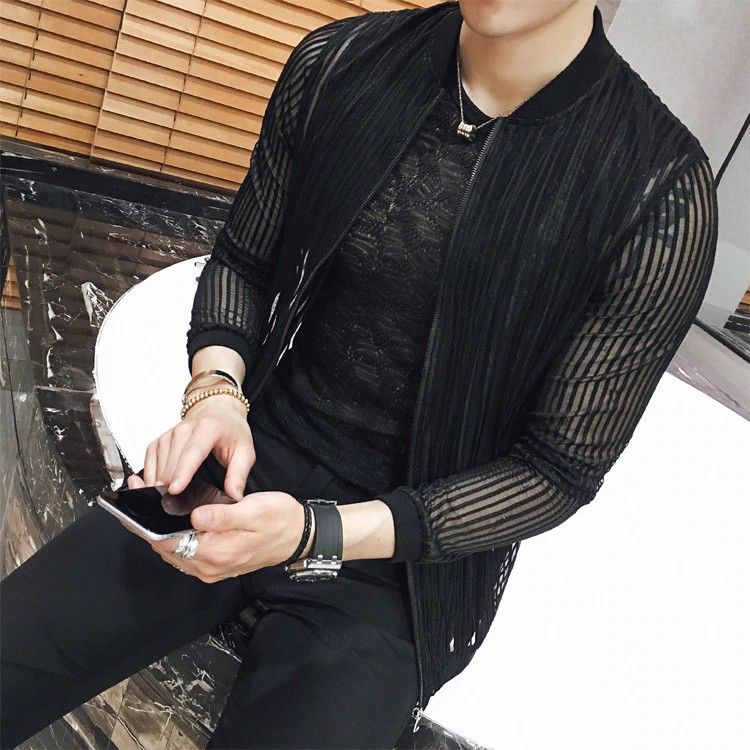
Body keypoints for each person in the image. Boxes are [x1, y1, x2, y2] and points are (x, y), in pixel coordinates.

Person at [1, 1, 718, 748]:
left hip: (405, 556)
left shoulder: (658, 191)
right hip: (252, 462)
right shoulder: (344, 63)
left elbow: (555, 470)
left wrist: (317, 533)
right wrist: (216, 394)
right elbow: (245, 260)